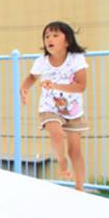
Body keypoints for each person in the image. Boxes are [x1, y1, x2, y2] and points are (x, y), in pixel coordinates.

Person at [20, 21, 88, 191]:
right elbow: (32, 77)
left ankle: (79, 188)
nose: (49, 39)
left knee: (75, 151)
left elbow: (81, 86)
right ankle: (62, 163)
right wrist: (24, 88)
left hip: (72, 109)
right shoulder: (42, 61)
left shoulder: (76, 59)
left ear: (67, 41)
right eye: (47, 36)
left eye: (55, 35)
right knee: (55, 132)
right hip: (49, 106)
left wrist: (56, 86)